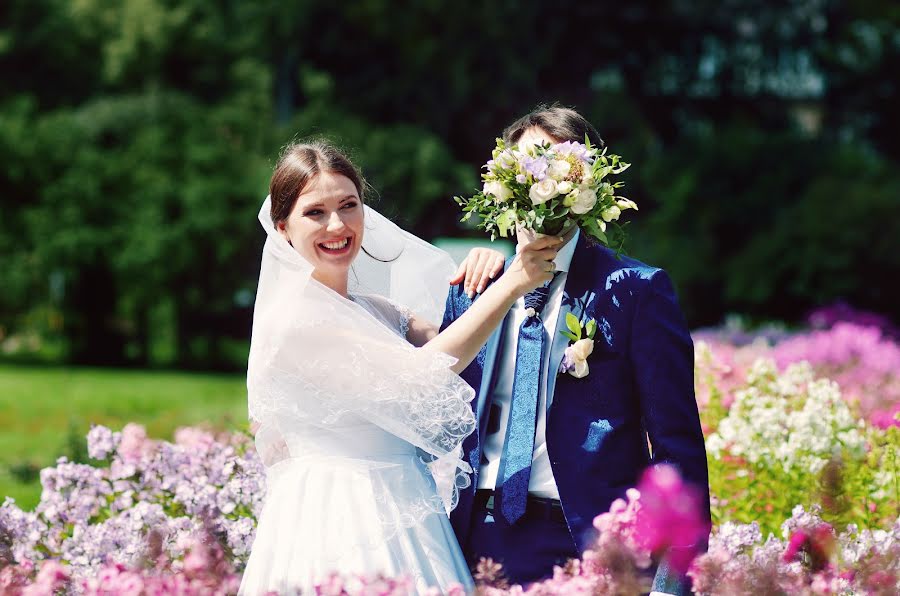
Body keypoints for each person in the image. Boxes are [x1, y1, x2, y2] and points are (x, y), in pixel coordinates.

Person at [239, 140, 559, 595]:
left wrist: (488, 269)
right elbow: (425, 375)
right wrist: (512, 284)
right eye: (315, 212)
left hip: (409, 508)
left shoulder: (379, 311)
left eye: (349, 206)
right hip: (341, 519)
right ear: (283, 228)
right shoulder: (294, 321)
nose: (337, 224)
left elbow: (471, 347)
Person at [443, 106, 711, 595]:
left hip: (587, 543)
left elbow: (677, 450)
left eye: (559, 170)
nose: (540, 184)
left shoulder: (635, 290)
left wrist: (671, 585)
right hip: (473, 537)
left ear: (588, 189)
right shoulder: (473, 289)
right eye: (526, 168)